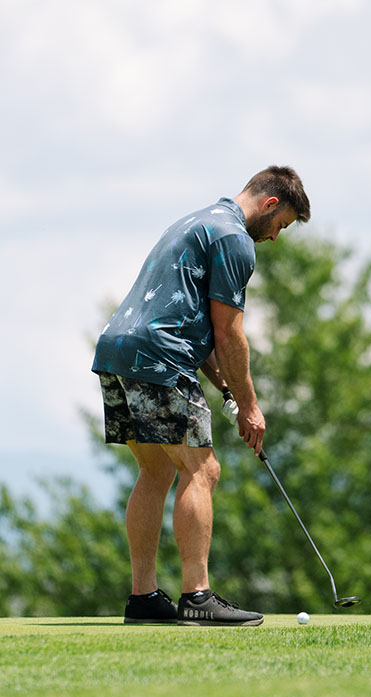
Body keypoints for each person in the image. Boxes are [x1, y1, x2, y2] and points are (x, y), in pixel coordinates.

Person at [92, 166, 311, 626]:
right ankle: (197, 596)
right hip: (160, 357)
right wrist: (250, 407)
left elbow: (197, 328)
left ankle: (143, 598)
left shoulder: (197, 220)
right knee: (202, 467)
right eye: (282, 225)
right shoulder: (235, 239)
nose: (274, 237)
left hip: (118, 350)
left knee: (154, 471)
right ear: (271, 204)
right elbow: (228, 334)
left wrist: (228, 389)